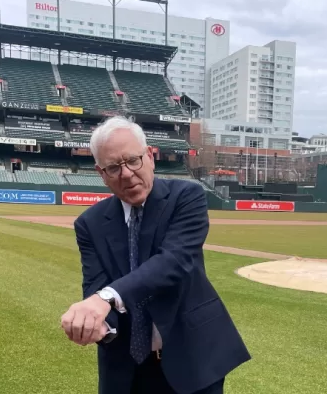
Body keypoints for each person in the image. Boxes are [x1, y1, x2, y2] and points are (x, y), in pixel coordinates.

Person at [60, 116, 251, 394]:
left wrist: (105, 298)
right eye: (114, 167)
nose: (126, 174)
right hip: (126, 369)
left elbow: (173, 262)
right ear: (101, 174)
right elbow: (95, 284)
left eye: (133, 160)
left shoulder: (186, 197)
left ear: (150, 156)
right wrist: (100, 326)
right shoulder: (89, 223)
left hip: (192, 358)